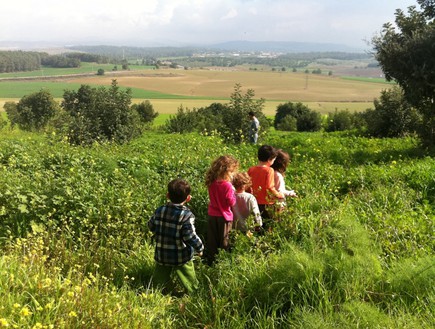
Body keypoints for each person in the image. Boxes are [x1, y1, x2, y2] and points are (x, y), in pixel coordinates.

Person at [148, 178, 204, 294]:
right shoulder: (187, 215)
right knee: (188, 274)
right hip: (180, 255)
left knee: (160, 273)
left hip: (162, 253)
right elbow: (190, 236)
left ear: (167, 195)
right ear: (188, 198)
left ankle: (156, 290)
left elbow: (151, 225)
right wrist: (200, 247)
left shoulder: (160, 210)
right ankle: (194, 291)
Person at [205, 155, 239, 265]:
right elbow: (231, 202)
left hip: (212, 214)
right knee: (224, 240)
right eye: (232, 172)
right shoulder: (228, 186)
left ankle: (211, 260)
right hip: (224, 216)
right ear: (227, 171)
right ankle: (223, 262)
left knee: (212, 240)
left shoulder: (212, 182)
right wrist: (234, 193)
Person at [247, 145, 284, 222]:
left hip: (254, 201)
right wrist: (279, 195)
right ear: (269, 160)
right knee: (268, 224)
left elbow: (247, 185)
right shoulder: (269, 170)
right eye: (273, 159)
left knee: (256, 224)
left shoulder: (251, 169)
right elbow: (269, 187)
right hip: (267, 203)